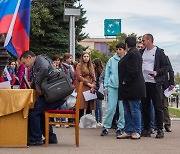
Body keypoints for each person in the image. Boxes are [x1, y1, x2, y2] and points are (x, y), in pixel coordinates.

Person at [20, 50, 65, 146]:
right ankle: (51, 137)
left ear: (29, 57)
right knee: (40, 112)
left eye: (24, 62)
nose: (25, 65)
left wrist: (37, 85)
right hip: (56, 93)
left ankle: (36, 138)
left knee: (34, 112)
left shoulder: (40, 60)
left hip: (56, 94)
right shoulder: (39, 61)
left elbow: (44, 69)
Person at [141, 34, 169, 139]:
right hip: (144, 83)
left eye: (143, 40)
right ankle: (147, 129)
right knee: (145, 106)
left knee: (158, 107)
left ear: (149, 40)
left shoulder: (159, 52)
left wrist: (157, 72)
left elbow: (166, 66)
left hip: (155, 83)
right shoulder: (142, 52)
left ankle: (160, 129)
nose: (142, 42)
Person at [117, 37, 146, 139]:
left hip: (133, 87)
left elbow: (133, 71)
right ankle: (128, 130)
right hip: (127, 88)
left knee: (134, 109)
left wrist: (125, 80)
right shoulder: (132, 53)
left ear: (126, 44)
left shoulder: (133, 54)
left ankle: (137, 131)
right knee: (127, 110)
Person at [100, 43, 125, 138]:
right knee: (111, 108)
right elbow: (107, 74)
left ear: (124, 50)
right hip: (112, 86)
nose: (118, 51)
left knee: (122, 110)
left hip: (123, 87)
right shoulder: (111, 60)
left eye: (120, 49)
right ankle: (106, 127)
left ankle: (120, 127)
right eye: (117, 49)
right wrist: (105, 86)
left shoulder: (126, 59)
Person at [76, 51, 96, 120]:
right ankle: (79, 120)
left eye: (87, 56)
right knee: (81, 105)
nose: (86, 58)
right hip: (82, 86)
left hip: (91, 87)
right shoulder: (79, 65)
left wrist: (93, 85)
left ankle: (88, 121)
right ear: (82, 57)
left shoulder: (91, 66)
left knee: (89, 105)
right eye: (84, 56)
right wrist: (88, 83)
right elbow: (79, 76)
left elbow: (94, 77)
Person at [162, 56, 174, 132]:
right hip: (153, 83)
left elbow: (171, 70)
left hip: (164, 84)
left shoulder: (165, 57)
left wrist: (171, 82)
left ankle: (167, 123)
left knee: (164, 105)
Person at [93, 58, 104, 126]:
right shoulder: (101, 70)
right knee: (98, 106)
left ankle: (98, 120)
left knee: (98, 106)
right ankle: (98, 120)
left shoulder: (98, 71)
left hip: (98, 88)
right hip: (99, 89)